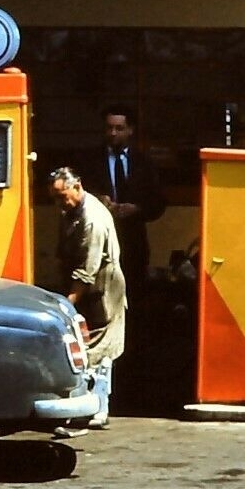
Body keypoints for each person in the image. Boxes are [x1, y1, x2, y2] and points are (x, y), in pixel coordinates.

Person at [48, 166, 126, 433]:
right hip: (83, 284)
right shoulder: (71, 211)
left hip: (103, 287)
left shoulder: (92, 218)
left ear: (77, 186)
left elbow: (87, 271)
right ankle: (92, 407)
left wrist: (67, 303)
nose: (61, 202)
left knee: (99, 350)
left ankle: (98, 409)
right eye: (56, 197)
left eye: (63, 195)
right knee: (87, 347)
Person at [78, 105, 165, 303]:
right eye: (109, 128)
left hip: (133, 241)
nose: (113, 133)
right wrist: (98, 200)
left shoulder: (143, 162)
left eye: (119, 128)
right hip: (98, 241)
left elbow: (158, 201)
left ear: (130, 130)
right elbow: (77, 195)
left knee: (135, 298)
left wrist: (137, 209)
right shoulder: (90, 160)